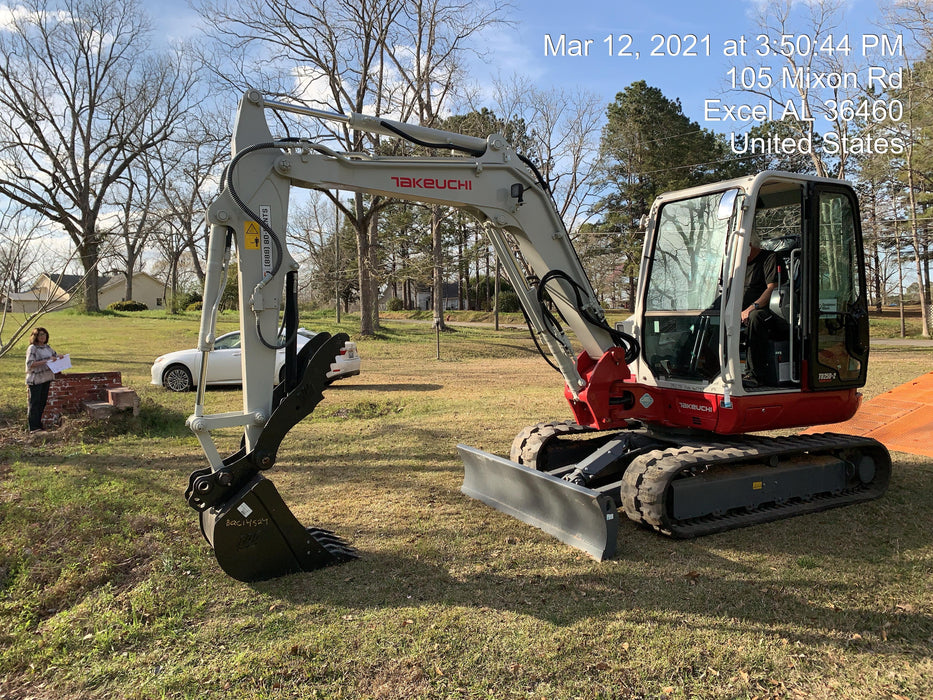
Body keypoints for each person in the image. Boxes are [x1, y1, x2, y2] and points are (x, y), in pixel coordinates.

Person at [741, 232, 785, 386]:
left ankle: (754, 375)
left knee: (755, 317)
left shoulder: (770, 258)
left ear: (749, 245)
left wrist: (752, 307)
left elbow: (772, 288)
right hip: (740, 310)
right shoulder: (740, 265)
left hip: (770, 311)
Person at [25, 327, 61, 432]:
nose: (43, 337)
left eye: (44, 334)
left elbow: (54, 356)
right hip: (36, 379)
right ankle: (33, 427)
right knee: (34, 403)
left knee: (42, 402)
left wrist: (60, 357)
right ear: (35, 336)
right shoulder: (32, 348)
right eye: (40, 335)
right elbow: (30, 364)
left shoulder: (47, 347)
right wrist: (46, 361)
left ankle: (39, 424)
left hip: (46, 378)